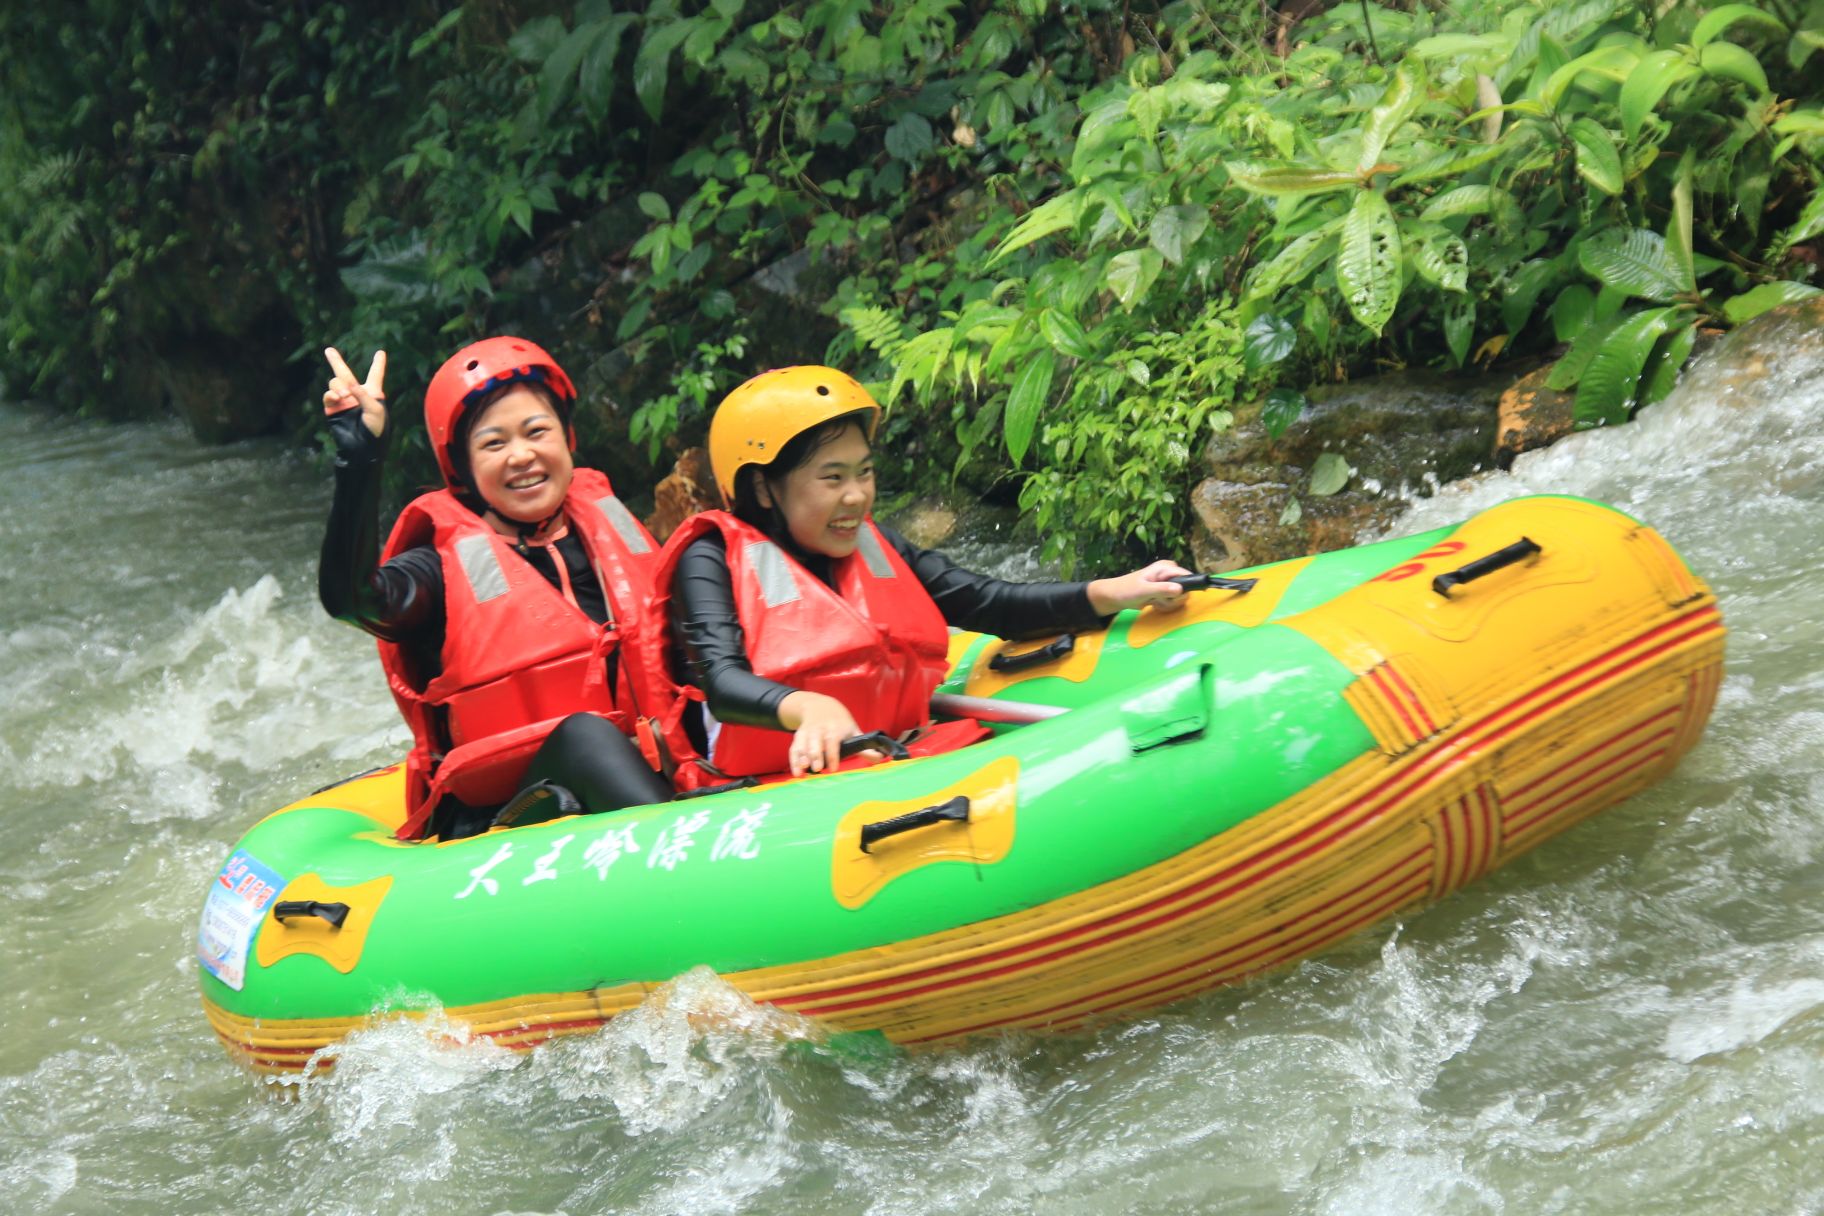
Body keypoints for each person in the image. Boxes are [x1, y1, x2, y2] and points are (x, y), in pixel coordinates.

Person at [631, 365, 1193, 789]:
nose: (857, 496)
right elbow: (724, 683)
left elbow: (987, 602)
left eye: (865, 472)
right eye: (832, 478)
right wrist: (810, 708)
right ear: (761, 488)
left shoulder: (868, 543)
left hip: (895, 751)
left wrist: (1114, 591)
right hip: (771, 785)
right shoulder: (706, 557)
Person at [318, 337, 672, 840]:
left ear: (567, 438)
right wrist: (360, 459)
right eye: (494, 443)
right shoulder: (436, 567)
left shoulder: (610, 530)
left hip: (650, 769)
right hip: (507, 818)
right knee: (584, 735)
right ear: (460, 467)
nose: (521, 455)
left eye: (536, 431)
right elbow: (352, 602)